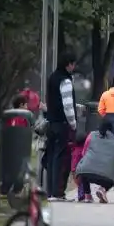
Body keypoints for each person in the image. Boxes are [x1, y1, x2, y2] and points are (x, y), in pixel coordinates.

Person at [44, 52, 78, 200]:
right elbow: (68, 105)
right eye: (73, 64)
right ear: (69, 64)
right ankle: (58, 192)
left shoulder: (52, 77)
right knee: (60, 157)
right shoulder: (65, 80)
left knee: (52, 156)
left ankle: (50, 191)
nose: (74, 67)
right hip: (62, 123)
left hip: (52, 123)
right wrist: (73, 123)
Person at [75, 119, 114, 203]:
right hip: (105, 177)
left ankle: (87, 196)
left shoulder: (91, 135)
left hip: (87, 173)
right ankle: (103, 189)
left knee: (84, 167)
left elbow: (84, 153)